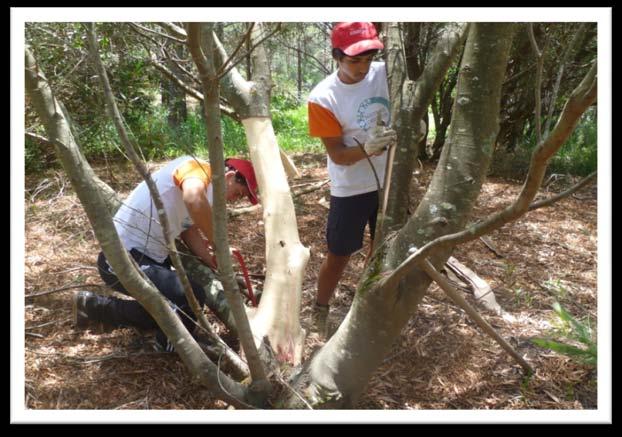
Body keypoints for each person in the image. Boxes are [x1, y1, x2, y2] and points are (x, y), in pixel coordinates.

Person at [72, 155, 259, 351]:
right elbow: (193, 199)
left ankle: (92, 306)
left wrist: (211, 260)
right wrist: (219, 244)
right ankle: (171, 346)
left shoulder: (207, 191)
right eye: (238, 194)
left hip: (150, 256)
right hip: (122, 256)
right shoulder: (198, 168)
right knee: (191, 296)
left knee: (167, 310)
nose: (233, 200)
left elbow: (188, 228)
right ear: (230, 176)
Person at [307, 22, 397, 337]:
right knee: (339, 253)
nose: (362, 68)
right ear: (336, 57)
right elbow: (337, 154)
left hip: (389, 181)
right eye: (353, 60)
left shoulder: (387, 73)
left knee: (383, 246)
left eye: (367, 59)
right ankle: (320, 309)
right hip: (351, 187)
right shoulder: (323, 97)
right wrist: (368, 148)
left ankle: (366, 306)